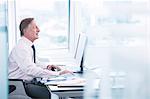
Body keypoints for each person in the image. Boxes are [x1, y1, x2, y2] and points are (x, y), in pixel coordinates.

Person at [8, 18, 73, 99]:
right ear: (25, 31)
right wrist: (58, 74)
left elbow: (34, 63)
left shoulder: (26, 45)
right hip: (22, 86)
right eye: (35, 27)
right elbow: (30, 69)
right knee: (54, 95)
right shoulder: (21, 48)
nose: (39, 30)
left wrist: (47, 66)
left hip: (27, 83)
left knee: (59, 92)